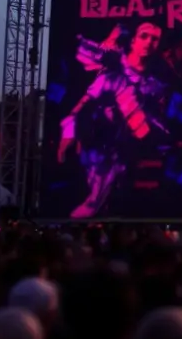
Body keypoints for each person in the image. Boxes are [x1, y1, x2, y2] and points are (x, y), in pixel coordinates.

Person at [58, 22, 168, 218]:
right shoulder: (112, 73)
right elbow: (83, 105)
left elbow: (157, 123)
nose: (149, 42)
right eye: (144, 36)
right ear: (133, 40)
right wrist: (69, 133)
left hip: (128, 155)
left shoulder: (155, 87)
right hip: (98, 151)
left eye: (155, 39)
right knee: (92, 204)